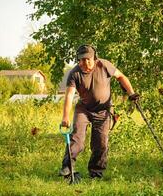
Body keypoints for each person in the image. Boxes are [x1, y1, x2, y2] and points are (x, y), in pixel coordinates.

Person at [59, 44, 138, 179]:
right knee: (77, 138)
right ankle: (67, 167)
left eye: (87, 59)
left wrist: (131, 93)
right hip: (83, 109)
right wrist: (65, 117)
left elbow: (121, 77)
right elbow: (69, 95)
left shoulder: (104, 65)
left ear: (94, 58)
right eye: (81, 59)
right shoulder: (74, 73)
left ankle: (96, 172)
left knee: (101, 143)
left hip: (104, 110)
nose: (84, 62)